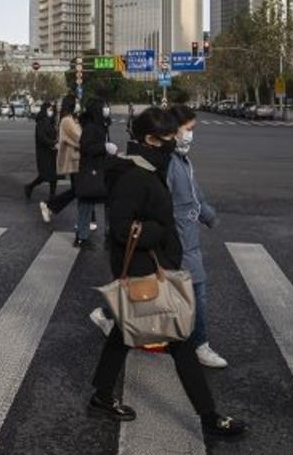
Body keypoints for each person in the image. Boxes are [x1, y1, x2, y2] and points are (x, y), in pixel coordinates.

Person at [89, 107, 247, 444]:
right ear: (149, 139)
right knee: (181, 341)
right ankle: (209, 417)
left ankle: (101, 395)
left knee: (124, 331)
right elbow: (121, 228)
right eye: (169, 139)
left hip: (153, 265)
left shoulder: (150, 166)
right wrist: (161, 230)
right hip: (147, 268)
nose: (175, 144)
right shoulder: (135, 175)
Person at [167, 105, 227, 368]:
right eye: (188, 129)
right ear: (173, 130)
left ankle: (111, 315)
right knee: (197, 291)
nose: (191, 135)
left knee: (155, 291)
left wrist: (208, 215)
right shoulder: (169, 162)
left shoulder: (182, 160)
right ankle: (200, 344)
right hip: (179, 239)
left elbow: (194, 193)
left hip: (187, 236)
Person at [73, 97, 113, 248]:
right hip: (92, 170)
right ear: (97, 110)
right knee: (86, 203)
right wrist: (105, 148)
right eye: (104, 106)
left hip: (100, 168)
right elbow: (86, 148)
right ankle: (82, 237)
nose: (106, 109)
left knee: (105, 202)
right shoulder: (91, 127)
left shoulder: (101, 125)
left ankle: (107, 235)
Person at [41, 94, 81, 221]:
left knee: (79, 189)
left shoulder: (69, 119)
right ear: (72, 105)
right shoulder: (67, 120)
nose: (78, 105)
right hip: (73, 159)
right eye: (76, 103)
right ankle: (49, 205)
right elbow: (79, 138)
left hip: (74, 158)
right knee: (79, 189)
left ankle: (88, 220)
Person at [24, 101, 58, 200]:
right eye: (50, 109)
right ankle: (30, 187)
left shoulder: (50, 121)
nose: (51, 111)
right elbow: (42, 137)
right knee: (44, 175)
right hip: (44, 152)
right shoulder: (41, 122)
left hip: (52, 151)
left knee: (54, 175)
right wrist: (53, 143)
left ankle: (52, 195)